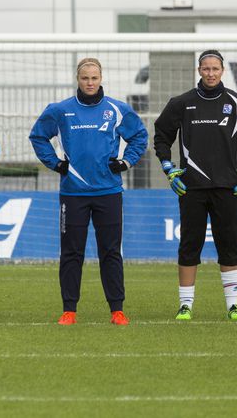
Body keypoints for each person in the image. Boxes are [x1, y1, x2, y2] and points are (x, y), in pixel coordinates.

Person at [29, 57, 148, 326]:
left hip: (108, 191)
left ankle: (117, 310)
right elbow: (38, 136)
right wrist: (56, 163)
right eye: (85, 78)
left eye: (94, 78)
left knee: (110, 252)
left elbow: (140, 136)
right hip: (73, 194)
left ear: (101, 78)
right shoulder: (60, 110)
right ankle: (69, 310)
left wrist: (125, 161)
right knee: (72, 252)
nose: (90, 82)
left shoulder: (117, 110)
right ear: (78, 79)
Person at [153, 49, 237, 321]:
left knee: (229, 245)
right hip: (191, 187)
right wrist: (169, 169)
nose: (211, 73)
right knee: (190, 245)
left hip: (227, 186)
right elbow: (161, 137)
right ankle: (185, 305)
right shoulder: (181, 103)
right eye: (206, 69)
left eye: (215, 69)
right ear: (199, 71)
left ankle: (233, 306)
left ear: (222, 71)